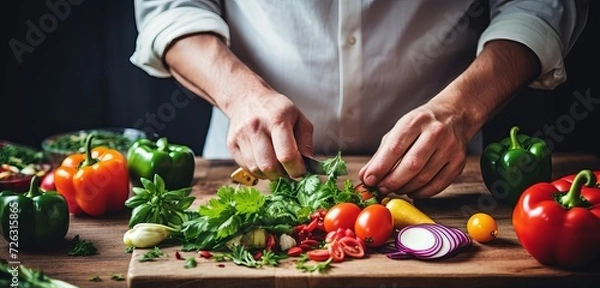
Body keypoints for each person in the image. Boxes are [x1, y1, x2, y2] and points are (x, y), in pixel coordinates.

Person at [130, 0, 588, 198]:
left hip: (445, 174)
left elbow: (539, 6)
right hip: (247, 162)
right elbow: (169, 9)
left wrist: (462, 109)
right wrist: (241, 95)